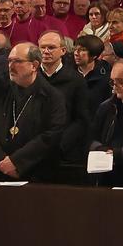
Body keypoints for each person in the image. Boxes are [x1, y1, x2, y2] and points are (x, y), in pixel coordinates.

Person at [0, 43, 67, 182]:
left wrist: (16, 162)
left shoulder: (53, 97)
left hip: (37, 173)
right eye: (10, 61)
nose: (10, 66)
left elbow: (51, 135)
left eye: (18, 61)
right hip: (0, 170)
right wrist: (0, 161)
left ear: (34, 65)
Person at [37, 30, 90, 168]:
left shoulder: (76, 80)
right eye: (42, 47)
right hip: (32, 152)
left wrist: (59, 144)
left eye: (51, 47)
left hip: (64, 153)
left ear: (63, 50)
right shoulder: (31, 78)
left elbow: (81, 119)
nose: (46, 51)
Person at [88, 61, 123, 184]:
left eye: (120, 81)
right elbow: (90, 137)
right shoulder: (107, 107)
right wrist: (100, 149)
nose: (114, 86)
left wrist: (118, 154)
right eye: (112, 81)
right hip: (108, 174)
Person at [74, 33, 111, 119]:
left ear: (94, 55)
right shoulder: (68, 72)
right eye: (75, 49)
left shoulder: (105, 77)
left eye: (82, 50)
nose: (76, 53)